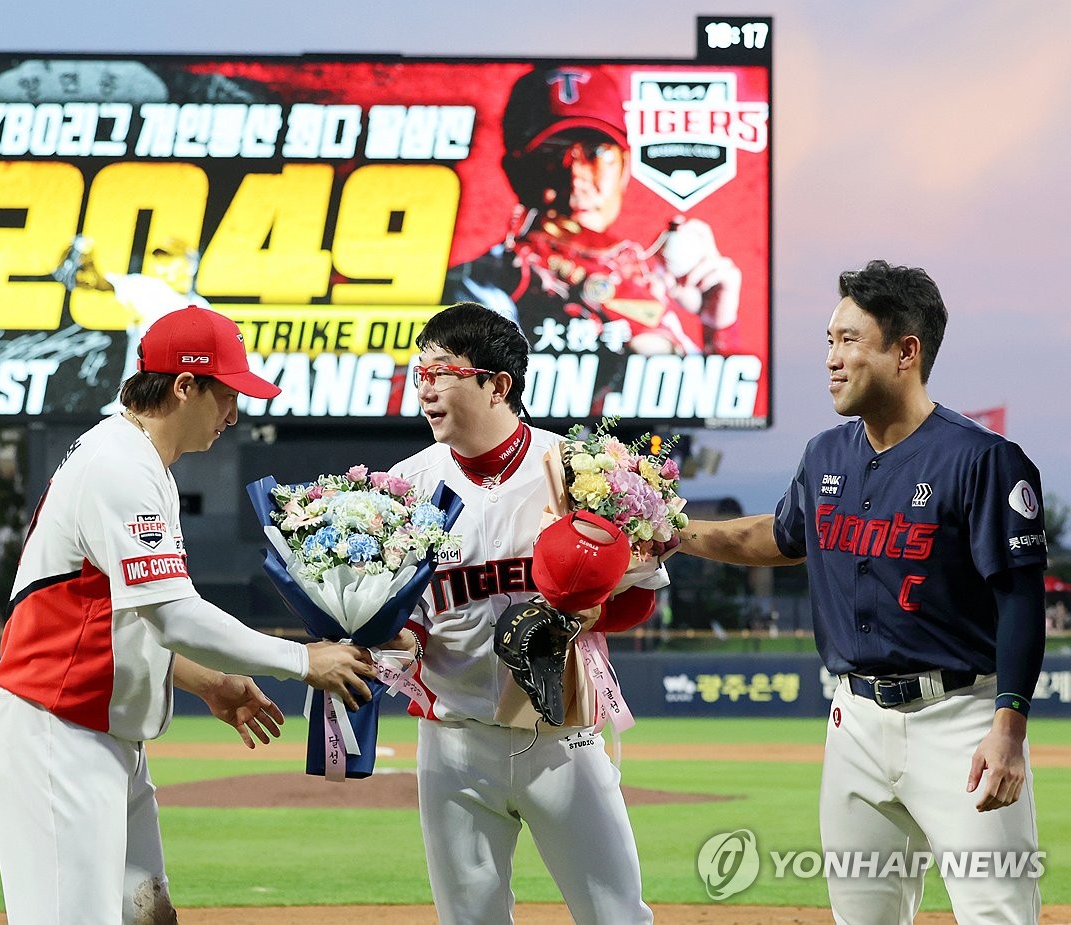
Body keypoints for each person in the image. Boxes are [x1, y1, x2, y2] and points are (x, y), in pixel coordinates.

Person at [0, 304, 377, 925]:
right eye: (226, 395)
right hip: (55, 728)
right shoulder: (119, 465)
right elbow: (173, 615)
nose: (234, 414)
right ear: (185, 386)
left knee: (148, 916)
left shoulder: (139, 461)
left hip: (100, 730)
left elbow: (126, 615)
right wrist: (300, 660)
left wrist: (208, 681)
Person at [677, 260, 1046, 923]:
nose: (832, 359)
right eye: (829, 340)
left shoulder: (982, 459)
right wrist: (675, 531)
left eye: (849, 339)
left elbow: (1020, 599)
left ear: (907, 351)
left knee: (998, 913)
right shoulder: (824, 455)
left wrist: (1009, 730)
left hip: (960, 718)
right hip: (853, 722)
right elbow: (778, 537)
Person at [386, 301, 661, 924]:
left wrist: (588, 617)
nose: (423, 388)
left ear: (495, 384)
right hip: (450, 740)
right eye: (418, 372)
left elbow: (640, 595)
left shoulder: (580, 470)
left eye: (440, 372)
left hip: (561, 737)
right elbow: (402, 617)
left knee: (616, 915)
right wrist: (388, 640)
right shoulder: (402, 485)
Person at [444, 65, 742, 368]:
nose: (576, 180)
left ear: (624, 169)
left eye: (596, 152)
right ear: (516, 174)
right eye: (551, 156)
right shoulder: (481, 283)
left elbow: (712, 406)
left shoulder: (640, 277)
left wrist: (718, 326)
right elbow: (498, 403)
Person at [53, 235, 207, 414]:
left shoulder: (204, 309)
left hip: (177, 407)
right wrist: (86, 261)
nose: (161, 265)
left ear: (191, 265)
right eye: (159, 259)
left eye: (170, 259)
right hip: (136, 404)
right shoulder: (148, 288)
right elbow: (97, 281)